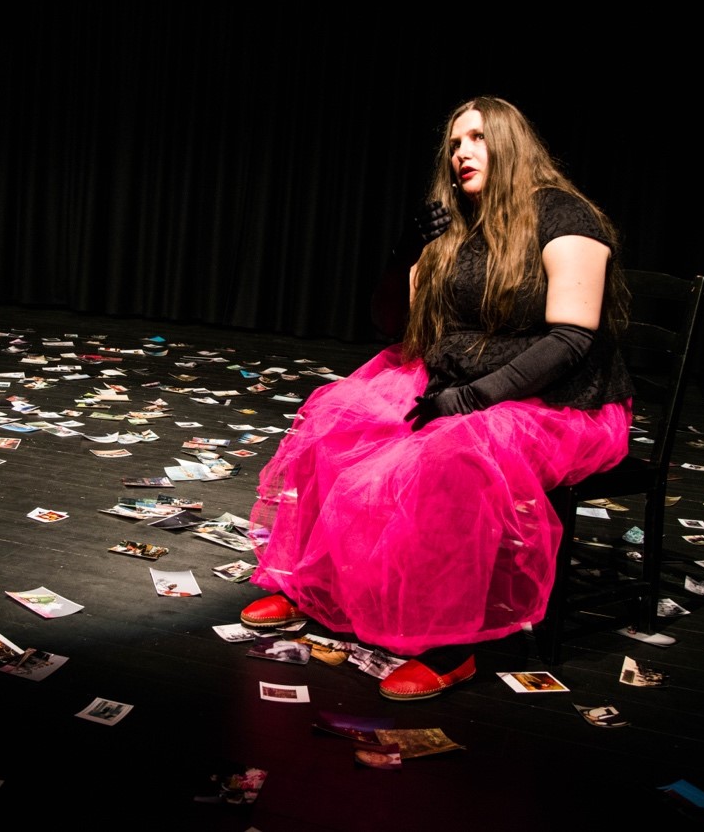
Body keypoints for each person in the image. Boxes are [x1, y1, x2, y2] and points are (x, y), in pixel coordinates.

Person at [239, 96, 634, 700]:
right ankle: (309, 588)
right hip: (456, 380)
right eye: (453, 143)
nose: (461, 153)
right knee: (336, 421)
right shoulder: (458, 224)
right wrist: (404, 257)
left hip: (555, 400)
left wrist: (473, 399)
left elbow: (571, 339)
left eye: (476, 138)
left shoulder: (564, 216)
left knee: (451, 458)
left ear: (511, 144)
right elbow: (392, 325)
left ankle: (452, 646)